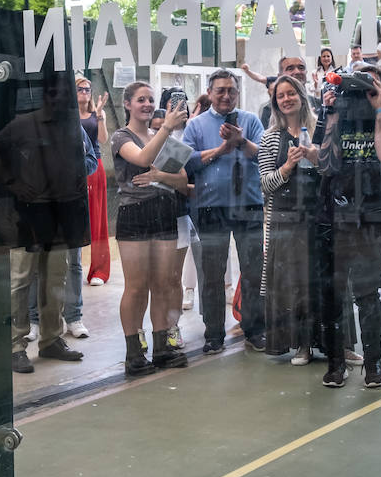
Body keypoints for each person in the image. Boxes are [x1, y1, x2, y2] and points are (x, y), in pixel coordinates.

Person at [0, 73, 92, 374]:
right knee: (21, 280)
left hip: (62, 214)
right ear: (46, 95)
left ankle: (51, 340)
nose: (61, 99)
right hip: (29, 215)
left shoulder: (72, 125)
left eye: (66, 94)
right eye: (56, 93)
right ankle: (16, 345)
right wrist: (12, 183)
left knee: (55, 279)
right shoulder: (25, 124)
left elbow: (89, 157)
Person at [315, 61, 381, 388]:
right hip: (334, 223)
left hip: (371, 222)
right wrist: (332, 113)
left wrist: (379, 110)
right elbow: (325, 164)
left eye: (372, 86)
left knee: (368, 294)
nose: (364, 93)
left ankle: (373, 363)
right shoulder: (335, 117)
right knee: (333, 295)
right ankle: (336, 363)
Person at [183, 69, 266, 354]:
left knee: (254, 271)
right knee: (213, 275)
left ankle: (255, 330)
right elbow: (187, 162)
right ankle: (214, 334)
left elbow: (263, 155)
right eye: (220, 90)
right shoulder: (196, 126)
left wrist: (241, 142)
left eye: (231, 90)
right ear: (209, 92)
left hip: (249, 205)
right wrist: (221, 149)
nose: (226, 95)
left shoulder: (251, 121)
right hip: (211, 207)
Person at [112, 82, 191, 375]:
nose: (146, 104)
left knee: (163, 283)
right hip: (135, 213)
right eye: (140, 100)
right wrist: (166, 129)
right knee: (136, 287)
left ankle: (161, 348)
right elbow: (143, 159)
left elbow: (181, 180)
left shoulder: (159, 135)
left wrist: (161, 176)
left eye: (150, 99)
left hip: (165, 212)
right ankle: (134, 353)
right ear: (128, 104)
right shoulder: (123, 136)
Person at [258, 74, 320, 362]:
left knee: (321, 282)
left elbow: (335, 172)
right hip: (285, 221)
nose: (286, 99)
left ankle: (333, 344)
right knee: (293, 284)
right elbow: (265, 184)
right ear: (275, 102)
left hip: (319, 218)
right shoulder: (269, 137)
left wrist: (316, 157)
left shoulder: (320, 129)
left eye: (290, 93)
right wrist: (287, 167)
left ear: (301, 95)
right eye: (280, 96)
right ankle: (301, 344)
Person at [78, 74, 111, 289]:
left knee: (98, 219)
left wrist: (99, 116)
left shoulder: (96, 113)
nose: (84, 92)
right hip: (71, 169)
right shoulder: (66, 114)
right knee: (76, 219)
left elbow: (103, 139)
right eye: (80, 89)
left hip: (94, 166)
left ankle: (99, 269)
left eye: (88, 89)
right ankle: (74, 268)